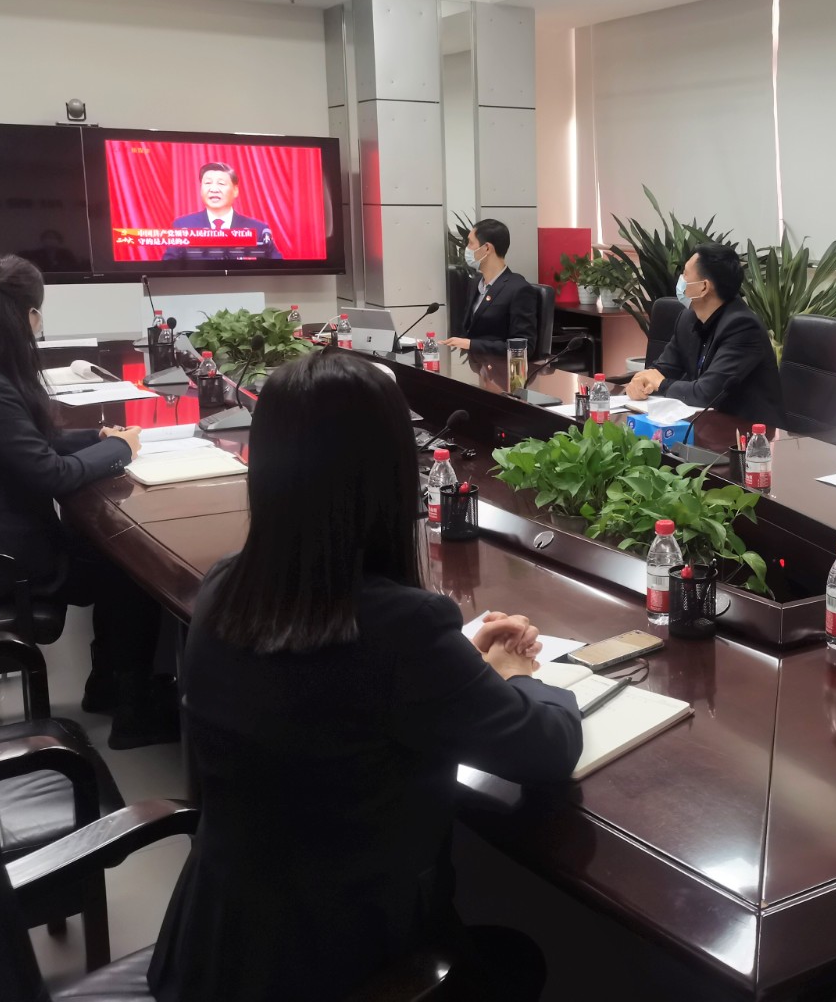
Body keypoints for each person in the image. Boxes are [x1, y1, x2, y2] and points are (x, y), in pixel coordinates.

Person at [148, 349, 582, 1002]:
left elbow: (344, 688)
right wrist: (518, 675)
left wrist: (465, 668)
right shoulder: (401, 628)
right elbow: (547, 749)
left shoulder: (222, 588)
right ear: (391, 475)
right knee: (518, 960)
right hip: (344, 968)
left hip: (213, 956)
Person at [0, 254, 177, 748]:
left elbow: (24, 446)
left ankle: (111, 687)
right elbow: (50, 475)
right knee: (137, 570)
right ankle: (134, 710)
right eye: (38, 312)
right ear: (27, 315)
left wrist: (95, 438)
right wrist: (121, 449)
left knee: (113, 557)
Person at [624, 242, 783, 428]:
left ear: (704, 287)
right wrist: (642, 381)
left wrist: (661, 383)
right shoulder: (687, 318)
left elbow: (706, 393)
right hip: (705, 424)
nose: (680, 280)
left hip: (746, 431)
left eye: (685, 274)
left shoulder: (743, 327)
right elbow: (663, 368)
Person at [444, 218, 539, 357]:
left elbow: (524, 347)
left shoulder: (519, 289)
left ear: (487, 248)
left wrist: (471, 344)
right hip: (474, 364)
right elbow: (468, 330)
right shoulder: (476, 283)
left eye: (470, 243)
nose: (466, 249)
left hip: (499, 368)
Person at [162, 161, 282, 261]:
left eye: (221, 183)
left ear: (235, 190)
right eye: (208, 183)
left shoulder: (258, 230)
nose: (214, 189)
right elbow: (169, 267)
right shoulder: (183, 226)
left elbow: (276, 269)